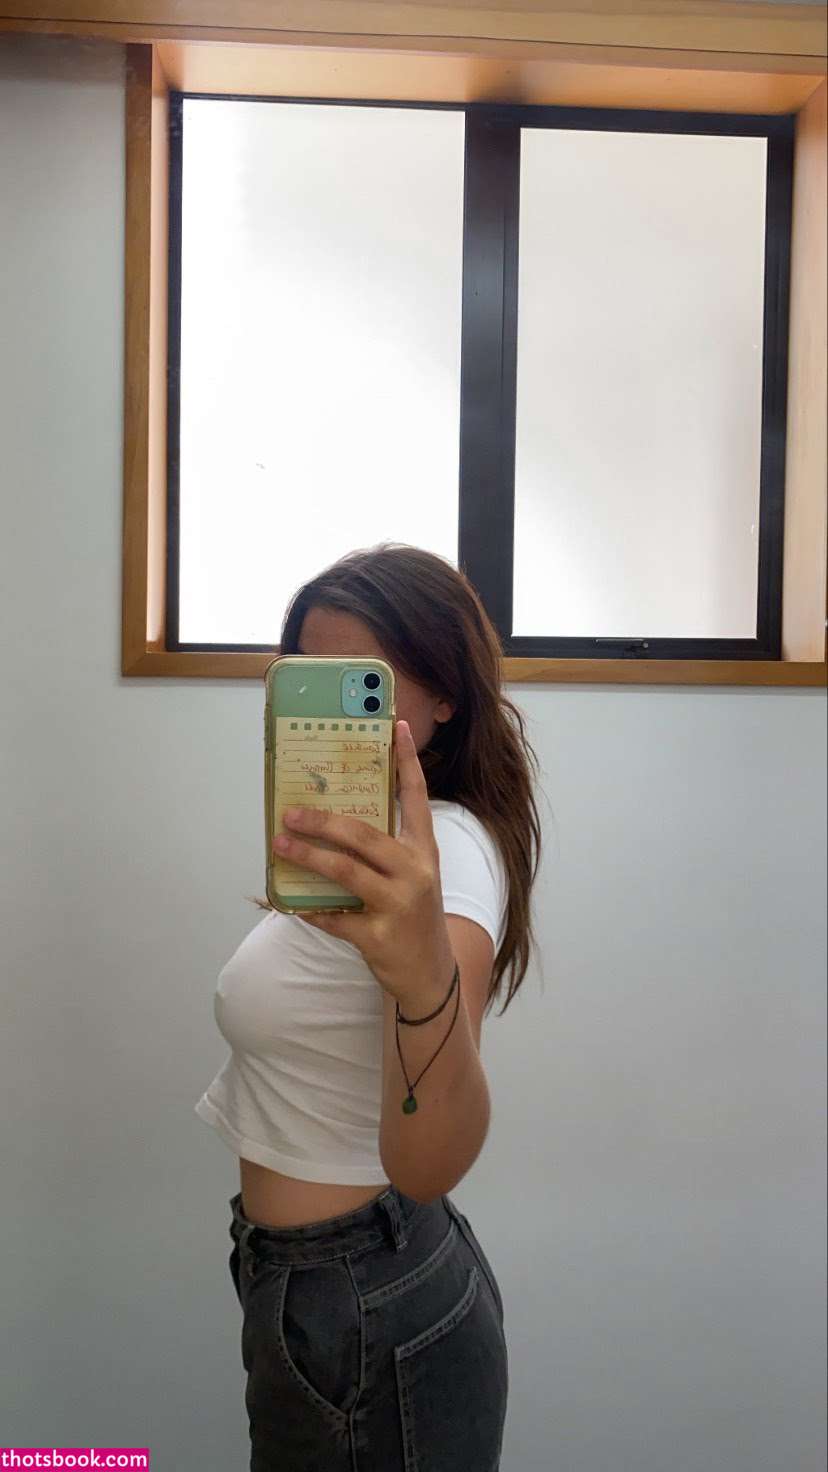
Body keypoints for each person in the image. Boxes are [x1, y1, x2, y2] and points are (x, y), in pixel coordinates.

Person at [195, 542, 543, 1470]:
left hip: (363, 1301)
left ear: (444, 698)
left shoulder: (447, 859)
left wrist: (423, 976)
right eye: (309, 676)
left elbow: (431, 1162)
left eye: (369, 685)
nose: (332, 709)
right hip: (322, 1287)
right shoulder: (362, 845)